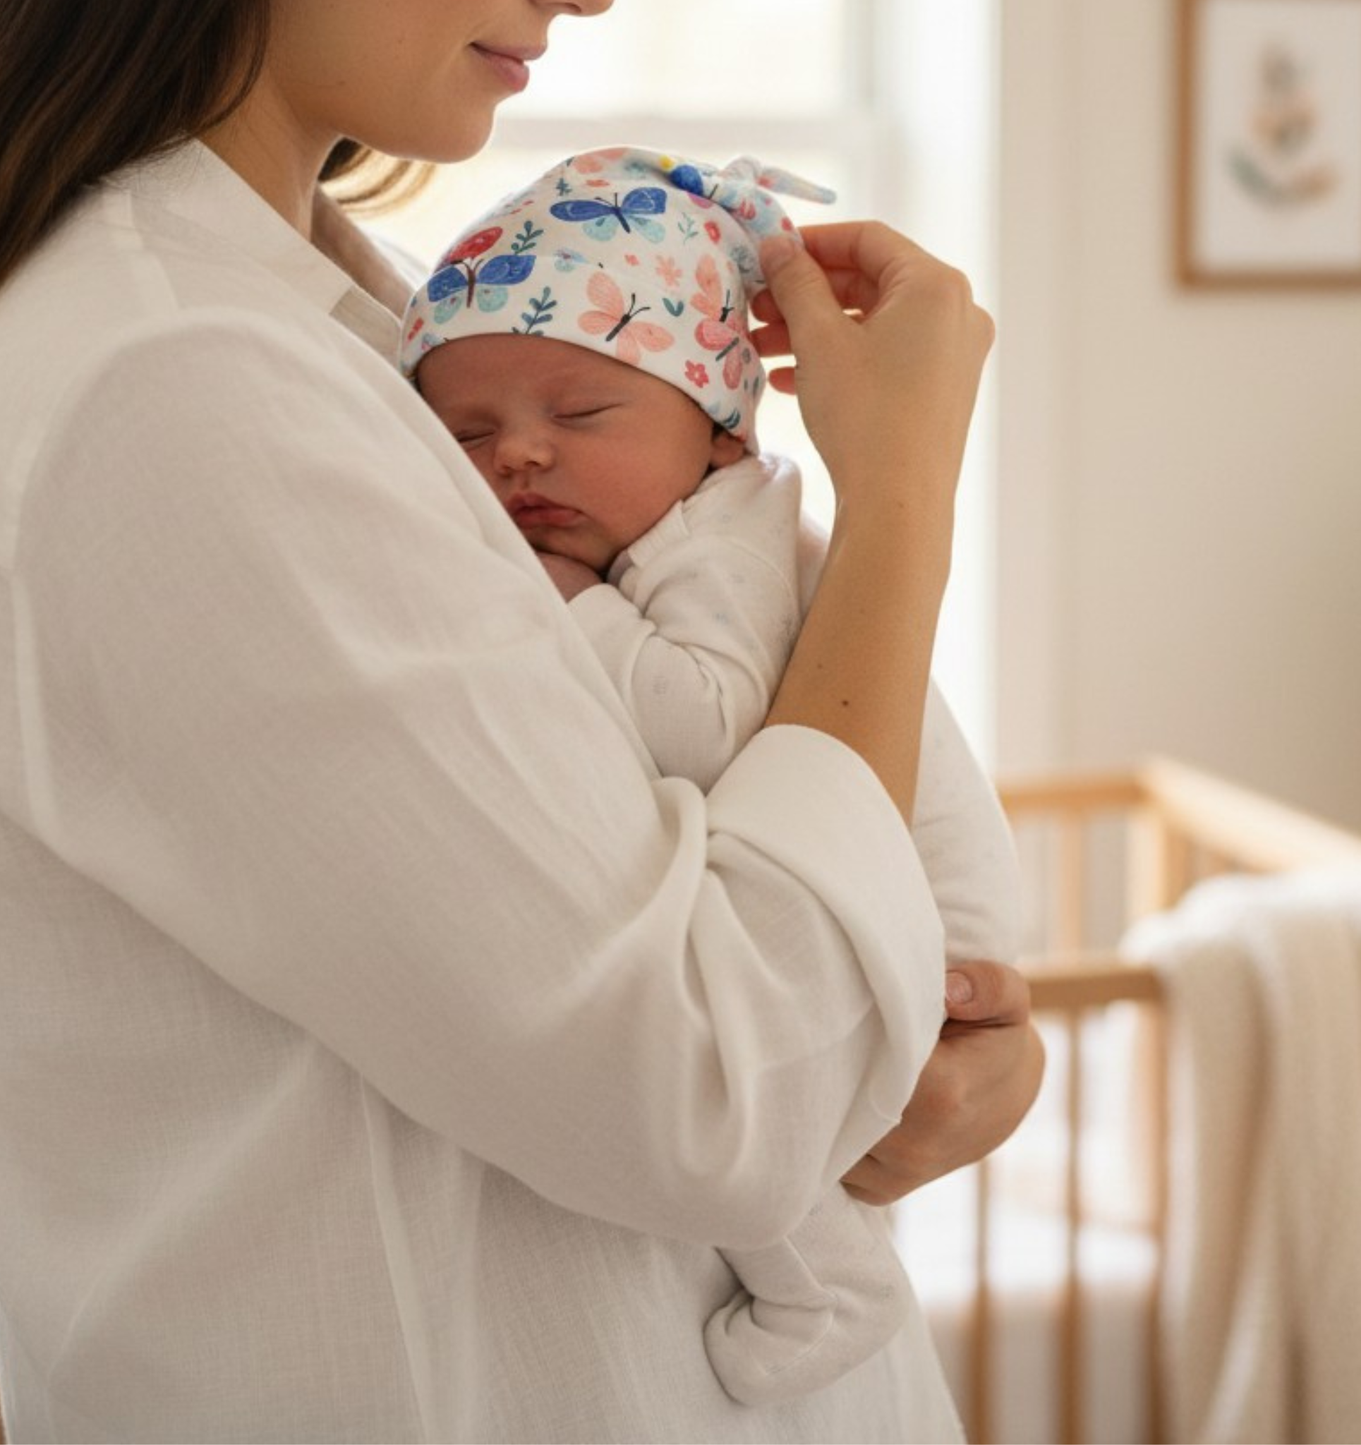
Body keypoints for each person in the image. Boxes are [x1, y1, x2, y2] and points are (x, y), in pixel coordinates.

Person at [0, 0, 1044, 1439]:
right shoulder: (183, 383)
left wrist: (924, 1039)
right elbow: (714, 1097)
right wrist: (904, 496)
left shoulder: (375, 340)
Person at [400, 145, 1026, 1407]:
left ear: (718, 427)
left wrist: (570, 608)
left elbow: (709, 719)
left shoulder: (726, 537)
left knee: (765, 1081)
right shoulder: (663, 521)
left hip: (913, 919)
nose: (518, 454)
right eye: (466, 430)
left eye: (579, 415)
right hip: (853, 894)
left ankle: (835, 1279)